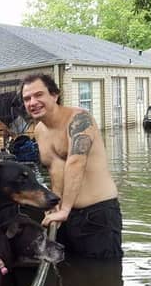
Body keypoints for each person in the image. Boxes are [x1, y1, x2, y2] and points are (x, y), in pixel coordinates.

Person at [20, 73, 122, 259]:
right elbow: (55, 169)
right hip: (64, 216)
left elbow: (76, 162)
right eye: (27, 98)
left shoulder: (80, 119)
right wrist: (55, 204)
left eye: (38, 95)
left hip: (97, 215)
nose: (32, 102)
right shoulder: (39, 130)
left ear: (54, 95)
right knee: (71, 275)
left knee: (104, 278)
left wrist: (65, 209)